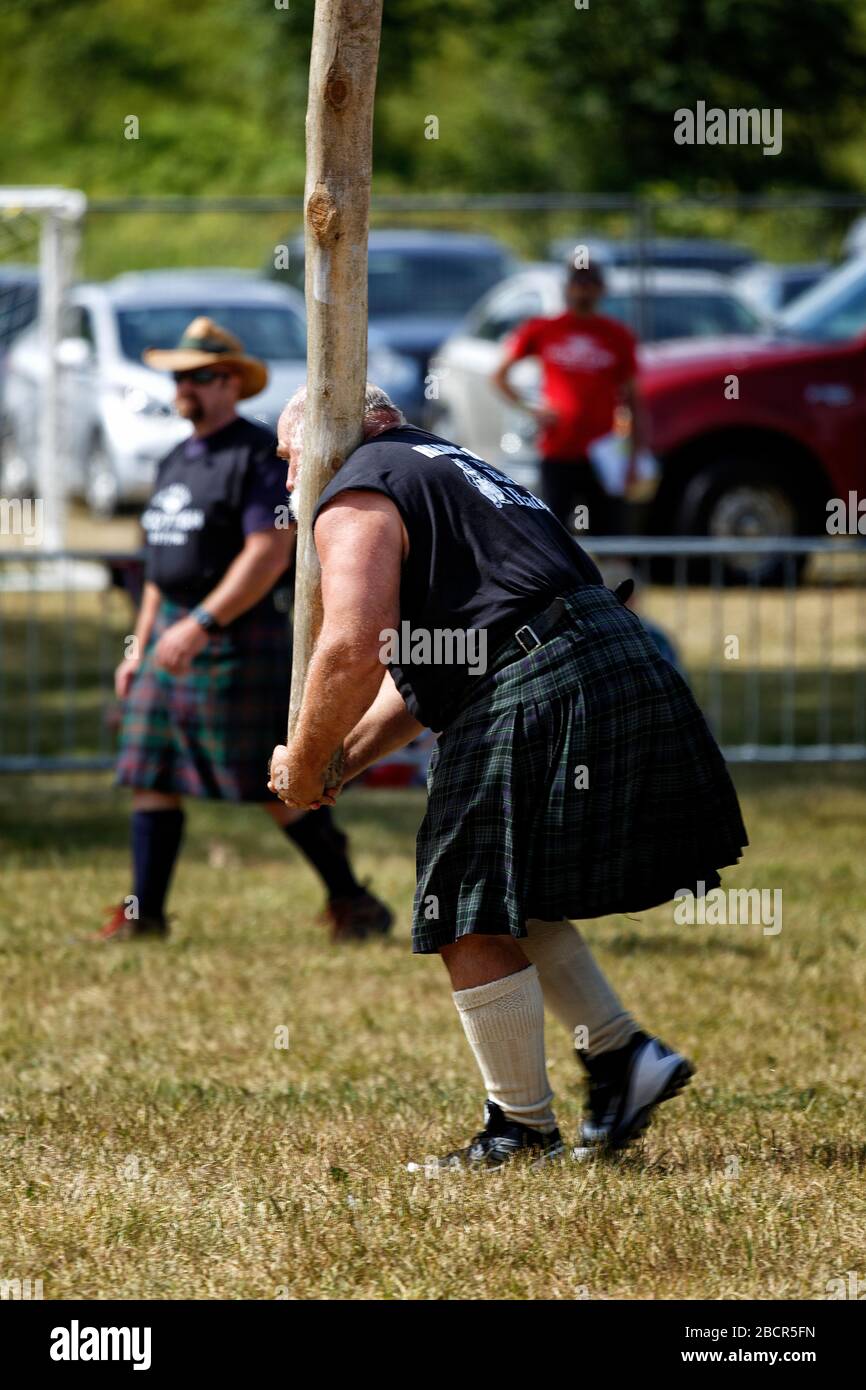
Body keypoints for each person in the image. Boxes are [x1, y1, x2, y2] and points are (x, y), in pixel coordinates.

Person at [268, 384, 748, 1168]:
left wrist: (301, 757)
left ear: (332, 439)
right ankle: (623, 1059)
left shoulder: (358, 487)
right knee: (506, 894)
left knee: (462, 903)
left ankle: (520, 1130)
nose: (289, 481)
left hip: (538, 673)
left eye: (289, 461)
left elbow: (355, 643)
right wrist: (338, 762)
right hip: (599, 654)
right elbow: (434, 671)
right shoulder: (443, 465)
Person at [104, 318, 391, 944]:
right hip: (173, 634)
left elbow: (268, 548)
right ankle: (143, 915)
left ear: (230, 383)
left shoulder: (256, 453)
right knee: (149, 774)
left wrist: (205, 623)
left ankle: (352, 900)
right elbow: (158, 565)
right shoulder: (177, 458)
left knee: (269, 784)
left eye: (199, 376)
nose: (185, 386)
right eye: (179, 376)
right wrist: (142, 644)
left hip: (231, 636)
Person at [491, 259, 643, 534]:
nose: (584, 291)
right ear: (568, 288)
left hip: (602, 453)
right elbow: (500, 375)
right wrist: (532, 409)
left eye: (590, 284)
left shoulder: (617, 335)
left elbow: (633, 399)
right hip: (558, 449)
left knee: (608, 532)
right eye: (578, 283)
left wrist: (634, 455)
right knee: (554, 532)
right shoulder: (545, 328)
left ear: (601, 289)